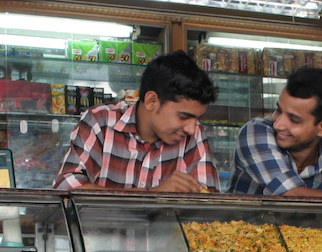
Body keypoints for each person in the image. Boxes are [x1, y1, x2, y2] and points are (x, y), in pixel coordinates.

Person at [54, 51, 219, 193]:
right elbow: (66, 187)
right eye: (184, 116)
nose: (191, 128)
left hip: (167, 232)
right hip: (98, 230)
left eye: (197, 118)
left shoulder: (194, 134)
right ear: (152, 101)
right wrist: (154, 195)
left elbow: (207, 203)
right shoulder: (100, 122)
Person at [228, 63, 322, 198]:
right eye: (279, 110)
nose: (278, 124)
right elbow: (290, 195)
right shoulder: (256, 131)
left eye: (294, 119)